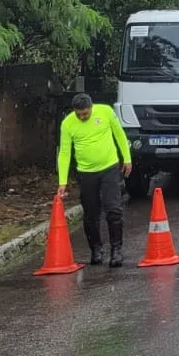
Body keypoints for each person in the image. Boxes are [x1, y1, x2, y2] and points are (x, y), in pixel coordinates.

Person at [56, 94, 132, 267]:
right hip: (86, 172)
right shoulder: (68, 123)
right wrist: (62, 182)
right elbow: (65, 153)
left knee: (113, 210)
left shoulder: (105, 112)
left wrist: (127, 158)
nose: (83, 117)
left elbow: (119, 134)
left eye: (85, 113)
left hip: (109, 168)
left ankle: (116, 250)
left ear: (91, 107)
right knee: (91, 215)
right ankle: (96, 249)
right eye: (79, 114)